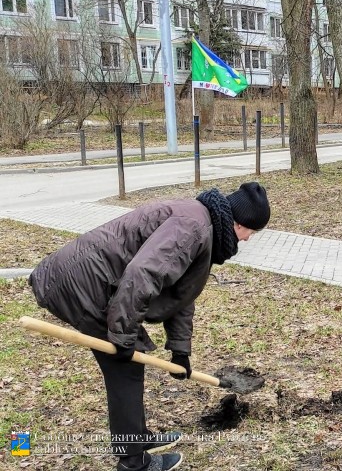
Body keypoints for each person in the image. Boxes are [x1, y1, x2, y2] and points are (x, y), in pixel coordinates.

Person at [28, 182, 271, 471]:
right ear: (237, 223)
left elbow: (182, 292)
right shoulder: (193, 228)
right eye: (250, 233)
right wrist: (121, 333)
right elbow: (143, 274)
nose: (247, 240)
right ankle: (133, 462)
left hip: (93, 282)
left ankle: (137, 438)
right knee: (126, 368)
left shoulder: (202, 223)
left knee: (129, 365)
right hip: (81, 285)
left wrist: (180, 351)